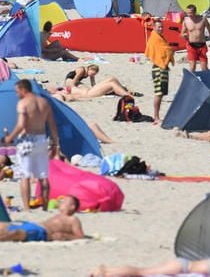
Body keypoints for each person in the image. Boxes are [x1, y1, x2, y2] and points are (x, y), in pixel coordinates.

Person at [2, 79, 58, 211]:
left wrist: (10, 137)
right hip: (42, 139)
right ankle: (45, 206)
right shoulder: (44, 102)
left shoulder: (23, 103)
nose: (17, 94)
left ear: (23, 89)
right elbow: (52, 124)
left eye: (17, 91)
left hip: (27, 140)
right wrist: (55, 143)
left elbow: (22, 124)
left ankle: (26, 207)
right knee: (43, 176)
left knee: (25, 175)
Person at [0, 195, 82, 242]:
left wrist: (65, 235)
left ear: (72, 207)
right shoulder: (58, 215)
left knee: (15, 233)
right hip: (33, 225)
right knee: (4, 225)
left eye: (64, 202)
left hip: (41, 232)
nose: (61, 202)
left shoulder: (72, 219)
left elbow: (80, 236)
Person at [144, 19, 174, 124]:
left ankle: (157, 116)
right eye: (158, 27)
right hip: (158, 67)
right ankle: (156, 117)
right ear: (154, 27)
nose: (160, 29)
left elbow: (164, 49)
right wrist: (170, 50)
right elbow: (163, 51)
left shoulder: (160, 38)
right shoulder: (154, 38)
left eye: (162, 27)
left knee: (161, 93)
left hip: (162, 67)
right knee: (158, 93)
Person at [55, 64, 137, 101]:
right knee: (112, 84)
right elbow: (74, 81)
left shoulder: (72, 87)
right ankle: (128, 95)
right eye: (93, 73)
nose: (92, 75)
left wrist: (95, 86)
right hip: (88, 93)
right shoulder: (80, 72)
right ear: (89, 69)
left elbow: (93, 84)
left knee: (112, 78)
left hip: (89, 91)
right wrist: (70, 89)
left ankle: (125, 90)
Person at [94, 258, 210, 277]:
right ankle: (106, 272)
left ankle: (108, 270)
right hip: (181, 267)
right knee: (141, 272)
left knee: (142, 271)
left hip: (181, 265)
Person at [181, 4, 210, 72]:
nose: (189, 14)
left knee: (204, 68)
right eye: (187, 13)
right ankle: (191, 81)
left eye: (190, 13)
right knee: (192, 67)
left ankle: (206, 81)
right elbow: (182, 33)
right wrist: (184, 35)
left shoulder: (203, 19)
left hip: (202, 45)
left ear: (195, 12)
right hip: (191, 46)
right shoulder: (186, 20)